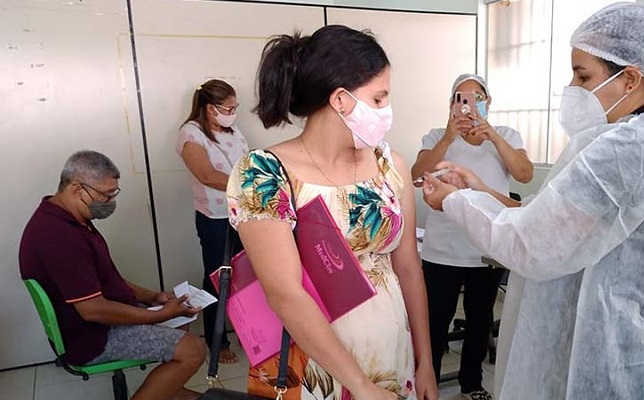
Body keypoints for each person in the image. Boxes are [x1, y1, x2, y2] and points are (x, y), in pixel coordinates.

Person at [421, 3, 644, 399]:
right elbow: (546, 216)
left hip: (621, 346)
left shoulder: (635, 147)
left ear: (630, 79)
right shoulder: (642, 135)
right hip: (617, 330)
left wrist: (454, 202)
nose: (573, 87)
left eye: (583, 74)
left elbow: (532, 243)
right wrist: (475, 190)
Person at [226, 25, 437, 400]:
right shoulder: (262, 174)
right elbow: (284, 293)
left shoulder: (392, 167)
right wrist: (359, 387)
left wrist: (425, 363)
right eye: (378, 98)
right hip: (316, 365)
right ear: (341, 99)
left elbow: (406, 267)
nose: (387, 112)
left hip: (392, 355)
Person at [19, 150, 207, 400]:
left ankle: (169, 391)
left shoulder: (71, 218)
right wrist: (158, 315)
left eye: (113, 193)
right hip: (91, 336)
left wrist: (155, 297)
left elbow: (105, 278)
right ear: (77, 189)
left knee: (181, 317)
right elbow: (92, 309)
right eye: (105, 194)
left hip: (99, 320)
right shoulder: (58, 236)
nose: (110, 201)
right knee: (193, 349)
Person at [410, 74, 532, 400]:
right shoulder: (437, 136)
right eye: (460, 98)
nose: (469, 104)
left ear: (488, 103)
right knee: (435, 321)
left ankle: (472, 385)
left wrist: (493, 137)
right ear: (451, 105)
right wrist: (449, 138)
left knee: (480, 321)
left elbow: (524, 173)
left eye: (477, 97)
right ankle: (428, 385)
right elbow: (416, 176)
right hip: (441, 250)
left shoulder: (505, 135)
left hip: (487, 248)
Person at [178, 78, 249, 364]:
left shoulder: (234, 132)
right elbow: (206, 175)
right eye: (228, 107)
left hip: (244, 215)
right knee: (218, 281)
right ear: (210, 108)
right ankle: (217, 342)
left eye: (235, 107)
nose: (233, 112)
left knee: (248, 279)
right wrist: (249, 184)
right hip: (215, 219)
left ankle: (253, 333)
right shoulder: (191, 133)